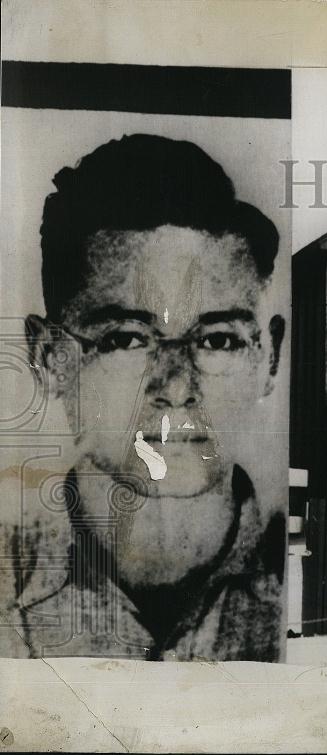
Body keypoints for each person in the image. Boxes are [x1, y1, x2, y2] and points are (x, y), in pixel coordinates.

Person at [1, 134, 287, 660]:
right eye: (125, 338)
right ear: (50, 357)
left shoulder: (296, 591)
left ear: (268, 358)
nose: (176, 387)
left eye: (219, 339)